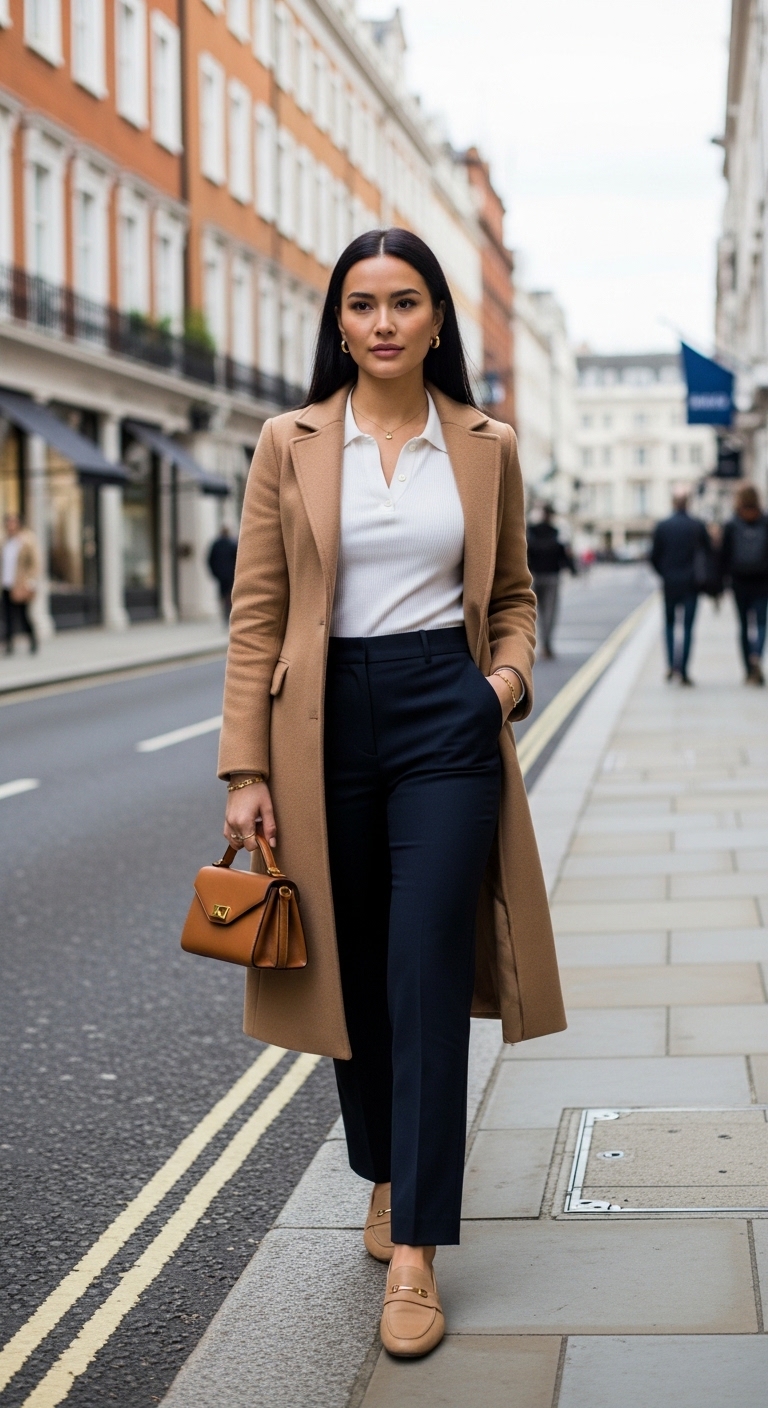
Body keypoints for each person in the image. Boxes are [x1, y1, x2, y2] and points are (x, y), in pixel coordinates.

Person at [218, 228, 565, 1359]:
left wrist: (501, 684)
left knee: (421, 968)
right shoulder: (289, 440)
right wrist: (246, 769)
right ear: (339, 321)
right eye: (361, 303)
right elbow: (256, 612)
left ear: (435, 320)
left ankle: (415, 1245)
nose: (380, 322)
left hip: (443, 716)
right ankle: (383, 1169)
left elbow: (513, 594)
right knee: (350, 975)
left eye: (403, 301)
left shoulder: (484, 443)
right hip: (319, 726)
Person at [650, 490, 710, 684]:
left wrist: (664, 573)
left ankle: (670, 665)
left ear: (673, 503)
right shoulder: (697, 525)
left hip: (670, 583)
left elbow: (653, 557)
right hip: (692, 583)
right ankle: (683, 669)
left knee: (669, 625)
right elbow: (708, 554)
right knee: (687, 628)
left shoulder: (663, 526)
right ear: (688, 503)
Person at [721, 483, 768, 685]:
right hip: (762, 581)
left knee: (743, 626)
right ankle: (757, 653)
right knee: (760, 623)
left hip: (739, 582)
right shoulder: (765, 521)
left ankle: (749, 669)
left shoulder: (732, 523)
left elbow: (724, 556)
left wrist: (722, 582)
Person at [526, 504, 577, 659]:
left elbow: (525, 551)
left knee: (533, 613)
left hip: (535, 575)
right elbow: (565, 555)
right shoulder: (556, 533)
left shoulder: (532, 531)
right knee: (549, 613)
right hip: (551, 576)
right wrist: (572, 569)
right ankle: (546, 644)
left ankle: (540, 643)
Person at [2, 513, 39, 655]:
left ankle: (33, 641)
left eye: (13, 523)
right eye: (8, 524)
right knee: (8, 617)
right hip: (6, 584)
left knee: (24, 616)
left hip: (21, 585)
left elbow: (35, 564)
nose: (10, 526)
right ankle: (9, 646)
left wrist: (31, 582)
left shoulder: (26, 541)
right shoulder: (4, 542)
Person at [207, 525, 238, 620]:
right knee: (229, 593)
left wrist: (214, 572)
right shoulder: (232, 544)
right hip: (230, 574)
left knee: (222, 593)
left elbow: (210, 560)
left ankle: (225, 612)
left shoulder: (216, 544)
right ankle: (228, 611)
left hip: (220, 574)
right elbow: (237, 560)